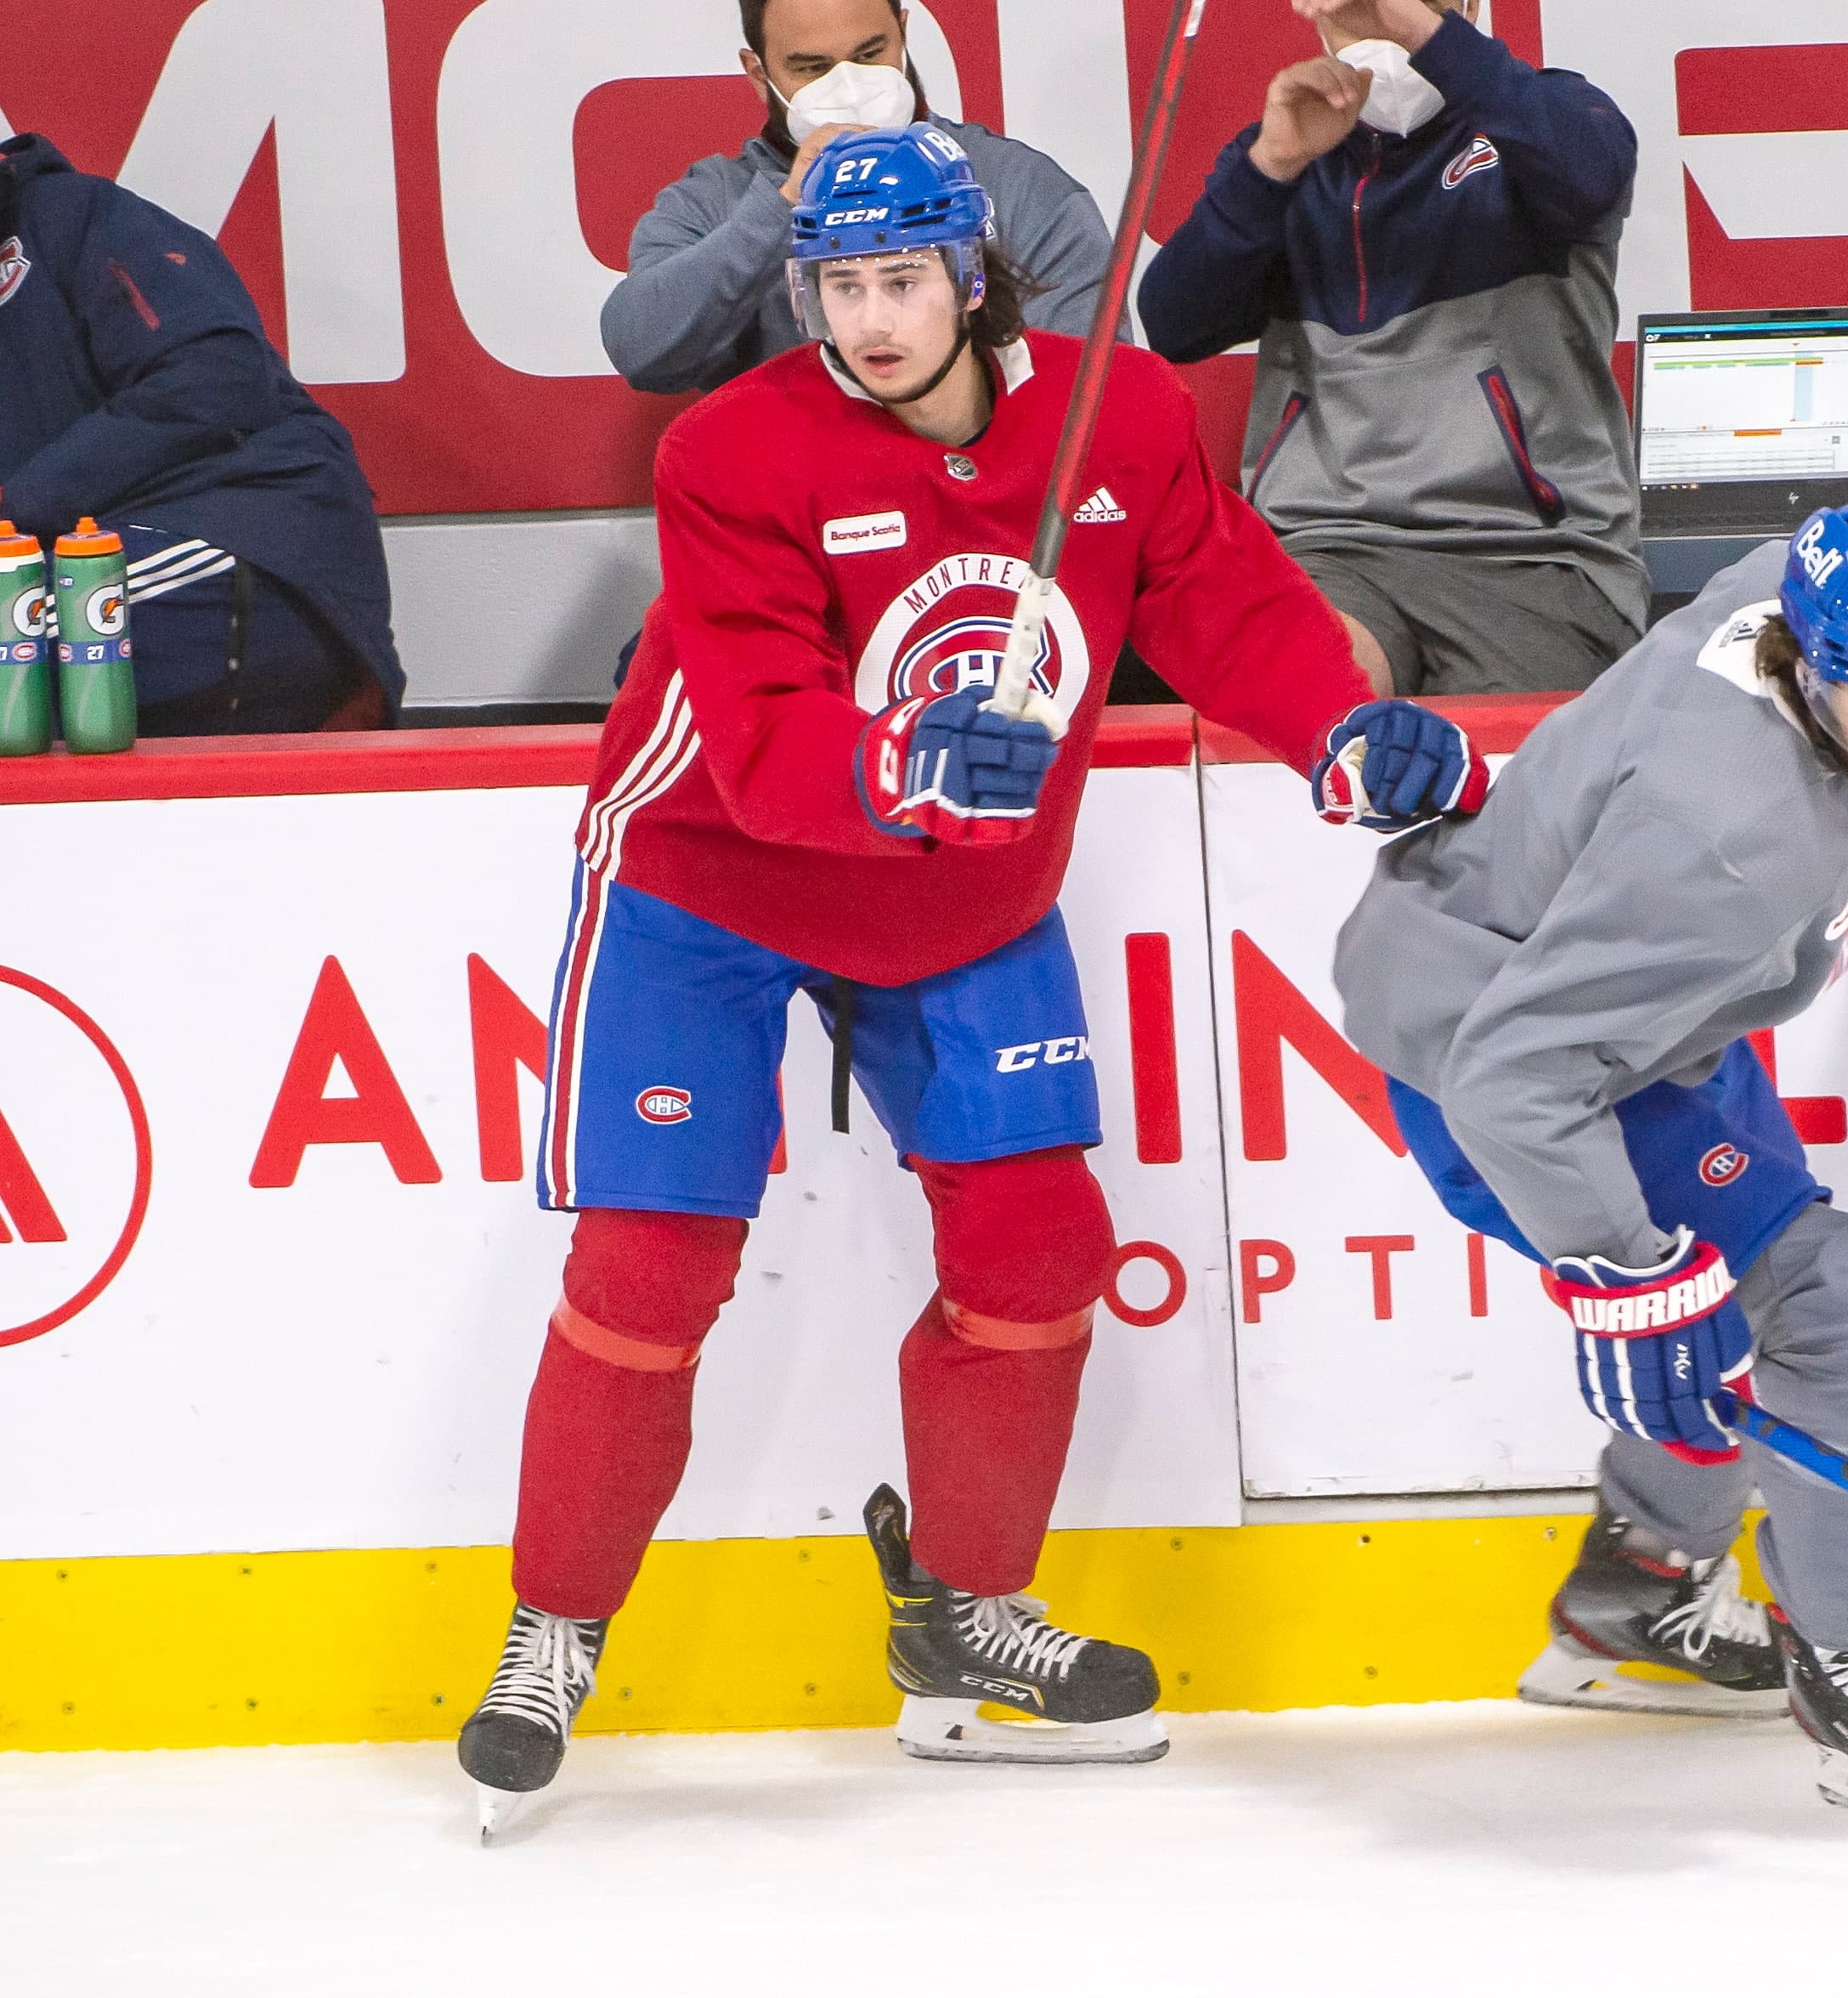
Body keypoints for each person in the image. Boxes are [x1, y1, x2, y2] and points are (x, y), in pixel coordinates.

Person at [455, 124, 1482, 1835]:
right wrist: (899, 772)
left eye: (902, 280)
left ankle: (965, 1616)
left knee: (1034, 1247)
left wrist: (1339, 723)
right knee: (651, 1257)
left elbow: (1223, 602)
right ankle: (550, 1630)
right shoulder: (730, 451)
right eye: (839, 286)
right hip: (714, 877)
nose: (869, 319)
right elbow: (765, 721)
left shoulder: (1123, 417)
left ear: (973, 274)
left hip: (959, 893)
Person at [1331, 491, 1848, 1829]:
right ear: (1808, 673)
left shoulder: (1775, 586)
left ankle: (1637, 1595)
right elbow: (1515, 1077)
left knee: (1749, 1307)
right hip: (1513, 1061)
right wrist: (1626, 1271)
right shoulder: (1734, 851)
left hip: (1631, 1012)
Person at [1139, 0, 1645, 699]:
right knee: (1317, 706)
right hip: (1331, 547)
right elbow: (1173, 323)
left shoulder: (1550, 113)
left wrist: (1421, 31)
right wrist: (1273, 164)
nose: (1377, 34)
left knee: (1501, 781)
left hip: (1533, 555)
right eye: (1352, 16)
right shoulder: (1288, 156)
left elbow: (1589, 173)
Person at [0, 135, 399, 733]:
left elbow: (218, 373)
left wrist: (18, 500)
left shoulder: (67, 214)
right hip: (86, 561)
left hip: (242, 529)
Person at [599, 0, 1119, 394]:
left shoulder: (1024, 187)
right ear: (760, 75)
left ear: (904, 35)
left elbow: (1091, 393)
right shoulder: (715, 204)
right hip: (803, 509)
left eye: (871, 54)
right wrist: (783, 207)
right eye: (811, 67)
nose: (849, 85)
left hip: (992, 511)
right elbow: (643, 352)